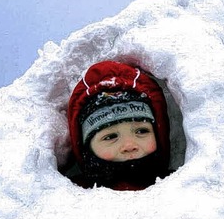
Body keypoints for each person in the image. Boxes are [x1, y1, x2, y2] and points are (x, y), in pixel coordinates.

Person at [67, 60, 171, 191]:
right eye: (110, 137)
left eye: (142, 131)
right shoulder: (70, 194)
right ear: (86, 149)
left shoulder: (184, 184)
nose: (129, 146)